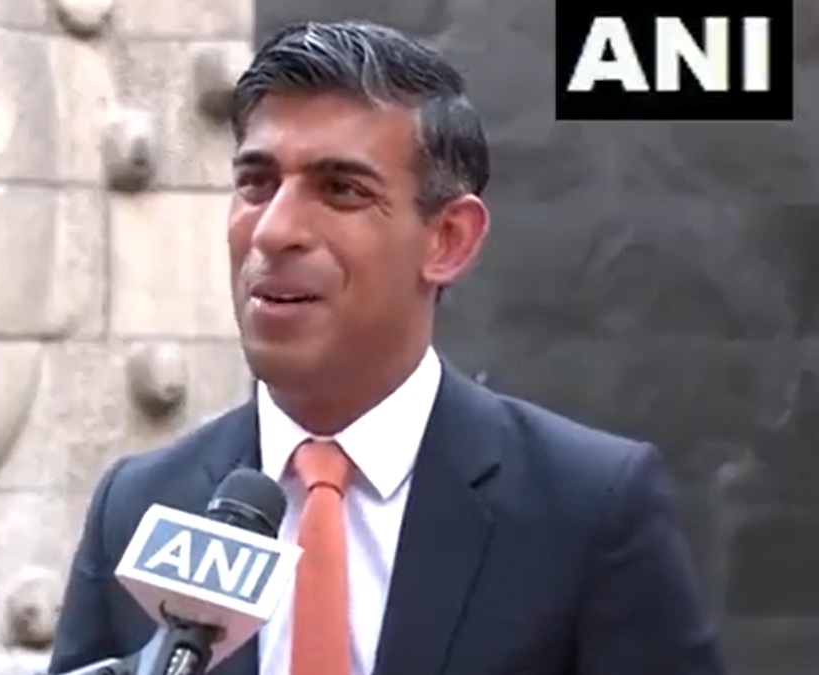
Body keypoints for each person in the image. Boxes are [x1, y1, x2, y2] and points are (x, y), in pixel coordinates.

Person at [48, 20, 727, 675]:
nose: (274, 231)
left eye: (341, 190)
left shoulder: (586, 508)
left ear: (448, 240)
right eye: (256, 182)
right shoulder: (138, 506)